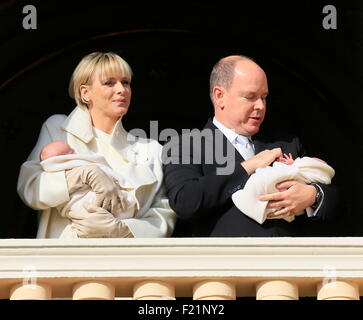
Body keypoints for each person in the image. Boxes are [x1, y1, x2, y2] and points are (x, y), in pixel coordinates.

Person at [163, 55, 340, 237]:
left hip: (287, 261)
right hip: (225, 262)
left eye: (264, 98)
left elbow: (337, 202)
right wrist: (248, 167)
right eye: (250, 97)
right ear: (220, 96)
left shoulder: (287, 143)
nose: (261, 106)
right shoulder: (185, 145)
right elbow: (185, 202)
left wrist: (313, 195)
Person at [17, 52, 176, 238]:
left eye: (125, 82)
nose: (121, 89)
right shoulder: (59, 129)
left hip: (126, 262)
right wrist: (80, 176)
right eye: (110, 83)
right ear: (85, 93)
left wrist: (123, 230)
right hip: (65, 261)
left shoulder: (151, 149)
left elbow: (164, 213)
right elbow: (31, 188)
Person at [39, 141, 139, 238]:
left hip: (123, 227)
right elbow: (35, 184)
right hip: (75, 229)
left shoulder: (149, 147)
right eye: (69, 153)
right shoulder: (52, 128)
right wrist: (80, 174)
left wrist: (126, 231)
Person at [231, 153, 335, 224]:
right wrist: (249, 165)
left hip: (287, 237)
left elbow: (332, 191)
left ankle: (253, 200)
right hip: (229, 237)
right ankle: (251, 197)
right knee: (265, 179)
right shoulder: (216, 142)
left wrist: (314, 194)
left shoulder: (293, 142)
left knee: (268, 181)